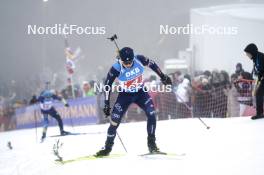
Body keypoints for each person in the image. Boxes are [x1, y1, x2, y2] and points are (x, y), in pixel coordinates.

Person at [95, 47, 172, 156]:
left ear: (132, 58)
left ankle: (152, 145)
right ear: (121, 60)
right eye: (125, 63)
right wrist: (106, 104)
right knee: (114, 122)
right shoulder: (116, 68)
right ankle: (107, 148)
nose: (128, 64)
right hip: (125, 96)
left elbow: (152, 64)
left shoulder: (139, 59)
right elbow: (107, 86)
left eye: (130, 62)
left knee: (151, 114)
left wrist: (163, 77)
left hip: (141, 93)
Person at [244, 43, 264, 120]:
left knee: (259, 93)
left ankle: (260, 113)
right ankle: (260, 113)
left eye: (247, 53)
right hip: (262, 78)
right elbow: (259, 70)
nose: (246, 55)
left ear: (252, 52)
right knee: (258, 93)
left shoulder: (261, 57)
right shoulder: (255, 58)